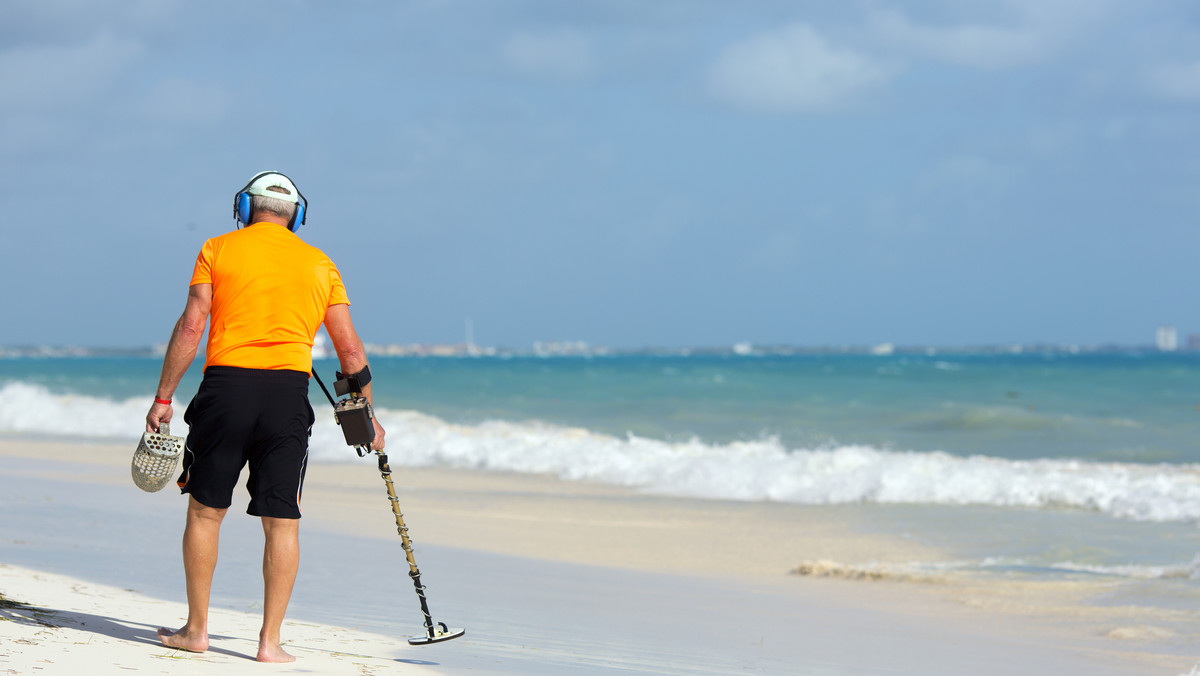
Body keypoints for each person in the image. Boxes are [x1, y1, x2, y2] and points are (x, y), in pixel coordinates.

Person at [144, 170, 385, 663]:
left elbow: (193, 325)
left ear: (245, 207)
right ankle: (269, 644)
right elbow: (350, 351)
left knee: (206, 510)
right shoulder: (321, 264)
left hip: (225, 392)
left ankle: (197, 631)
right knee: (282, 521)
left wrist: (164, 397)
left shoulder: (217, 248)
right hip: (287, 398)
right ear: (296, 214)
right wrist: (369, 420)